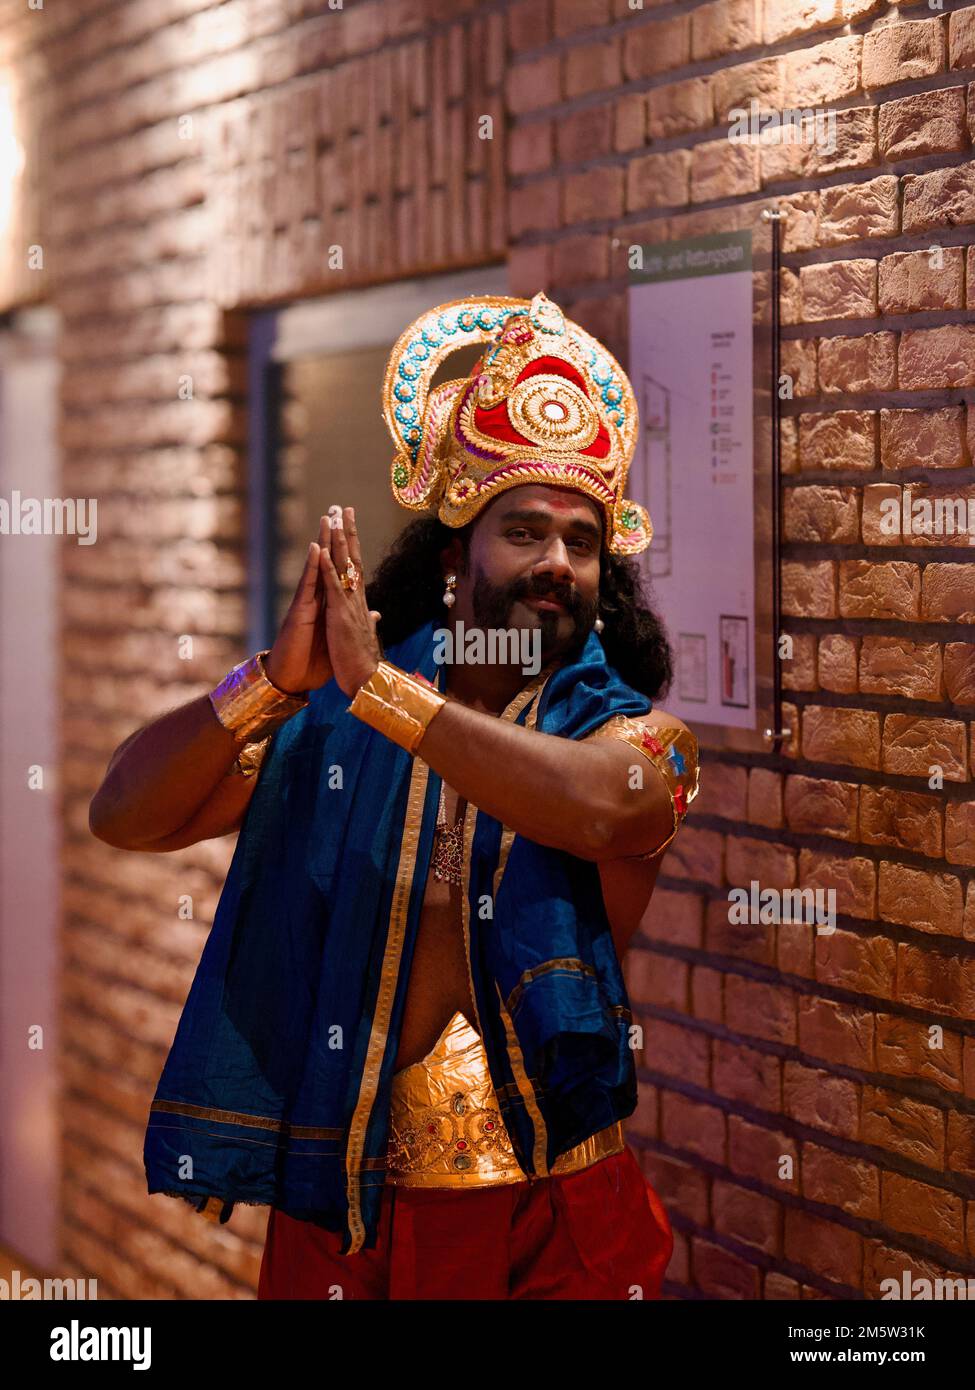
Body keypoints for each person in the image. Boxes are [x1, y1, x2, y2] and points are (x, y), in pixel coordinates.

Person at [90, 290, 700, 1301]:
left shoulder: (629, 735)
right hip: (351, 1208)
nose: (557, 561)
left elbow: (609, 806)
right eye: (527, 532)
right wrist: (275, 688)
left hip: (547, 1217)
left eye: (583, 543)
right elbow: (125, 813)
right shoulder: (334, 726)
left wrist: (382, 694)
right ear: (457, 555)